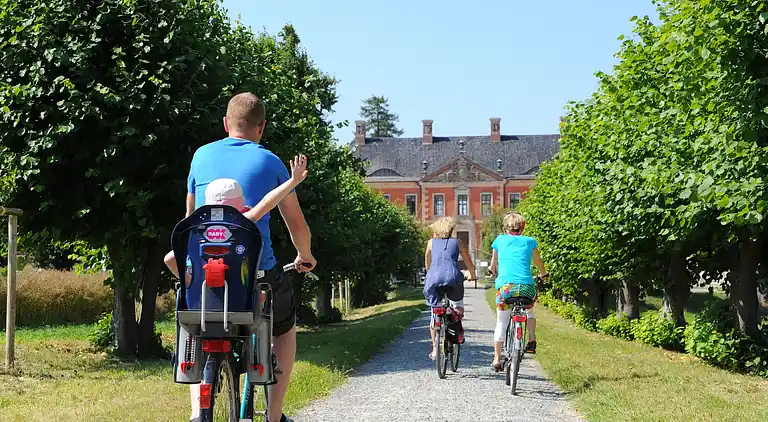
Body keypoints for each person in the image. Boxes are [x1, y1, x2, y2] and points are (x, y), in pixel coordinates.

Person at [184, 92, 315, 422]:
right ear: (262, 127)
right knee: (283, 328)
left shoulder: (200, 156)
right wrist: (305, 255)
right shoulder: (269, 161)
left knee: (195, 325)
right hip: (256, 276)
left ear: (226, 123)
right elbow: (296, 223)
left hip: (204, 278)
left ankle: (196, 412)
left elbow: (189, 221)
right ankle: (273, 416)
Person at [163, 155, 308, 282]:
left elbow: (169, 259)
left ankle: (191, 288)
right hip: (240, 289)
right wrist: (293, 181)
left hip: (202, 292)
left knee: (176, 262)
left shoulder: (197, 231)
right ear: (241, 204)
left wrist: (189, 282)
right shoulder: (244, 220)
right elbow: (267, 202)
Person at [489, 211, 547, 372]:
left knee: (501, 322)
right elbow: (538, 262)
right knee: (529, 311)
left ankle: (496, 359)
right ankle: (532, 339)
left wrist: (492, 271)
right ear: (523, 226)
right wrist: (543, 274)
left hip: (506, 289)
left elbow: (493, 266)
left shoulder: (499, 240)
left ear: (506, 227)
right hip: (527, 288)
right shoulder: (530, 242)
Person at [423, 216, 476, 360]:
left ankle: (435, 349)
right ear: (451, 230)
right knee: (458, 305)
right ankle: (457, 327)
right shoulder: (457, 242)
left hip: (434, 279)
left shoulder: (430, 243)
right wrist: (472, 274)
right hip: (453, 278)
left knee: (435, 313)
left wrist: (430, 275)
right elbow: (467, 260)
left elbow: (427, 261)